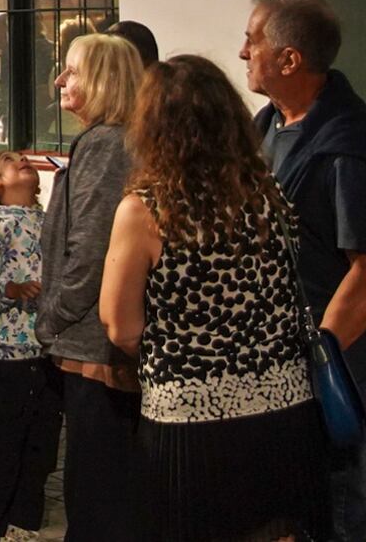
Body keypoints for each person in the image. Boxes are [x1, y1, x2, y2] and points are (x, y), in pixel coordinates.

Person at [101, 55, 331, 541]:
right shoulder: (269, 197)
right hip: (285, 413)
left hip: (189, 421)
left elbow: (120, 326)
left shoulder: (147, 210)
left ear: (153, 127)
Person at [244, 0, 366, 542]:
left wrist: (321, 360)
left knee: (332, 503)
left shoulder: (344, 147)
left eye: (253, 40)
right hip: (286, 354)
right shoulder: (268, 125)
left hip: (342, 359)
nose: (244, 52)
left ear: (289, 59)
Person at [36, 31, 145, 540]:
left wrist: (52, 316)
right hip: (94, 338)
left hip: (94, 344)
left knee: (96, 490)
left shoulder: (105, 145)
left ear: (102, 80)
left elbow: (92, 250)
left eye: (72, 70)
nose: (60, 79)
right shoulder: (114, 139)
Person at [0, 150, 60, 542]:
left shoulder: (47, 219)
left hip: (45, 349)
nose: (22, 161)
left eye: (24, 158)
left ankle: (24, 521)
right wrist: (10, 290)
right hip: (5, 352)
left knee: (40, 443)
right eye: (10, 160)